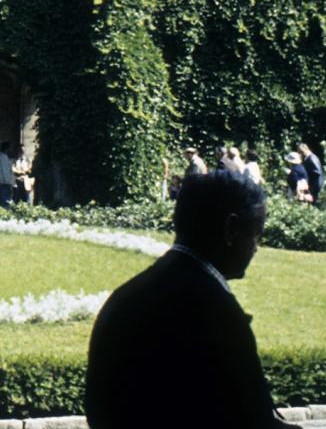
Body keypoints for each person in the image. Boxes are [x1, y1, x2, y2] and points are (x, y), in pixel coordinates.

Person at [85, 171, 287, 428]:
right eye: (256, 233)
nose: (256, 247)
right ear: (231, 229)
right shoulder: (216, 314)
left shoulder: (126, 296)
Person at [0, 142, 18, 207]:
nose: (11, 150)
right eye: (10, 148)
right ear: (7, 149)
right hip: (4, 184)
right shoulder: (3, 158)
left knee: (2, 201)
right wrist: (10, 183)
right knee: (6, 202)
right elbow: (6, 172)